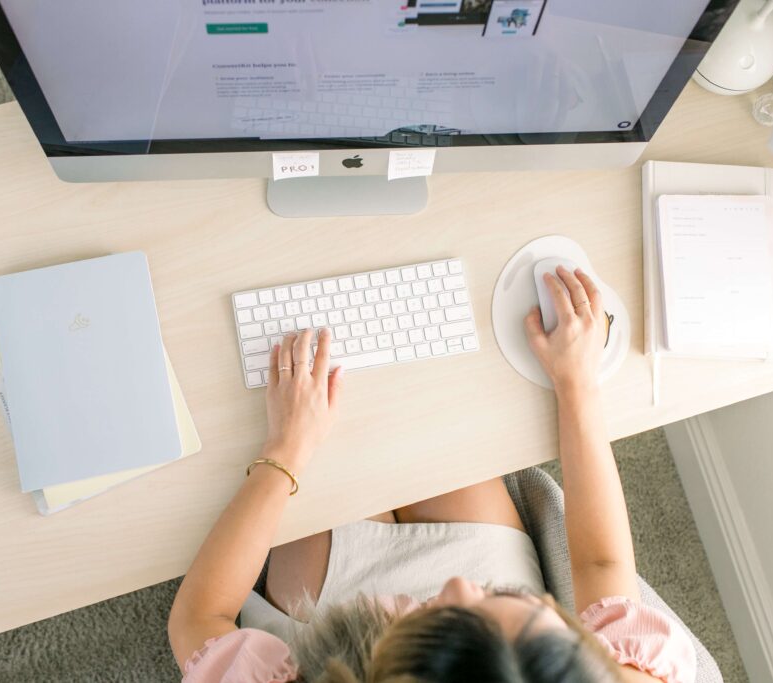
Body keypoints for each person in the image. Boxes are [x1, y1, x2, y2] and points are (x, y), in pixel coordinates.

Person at [168, 266, 696, 682]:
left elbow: (199, 618)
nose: (463, 585)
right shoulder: (618, 679)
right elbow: (602, 563)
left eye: (448, 616)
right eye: (516, 600)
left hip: (332, 614)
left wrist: (284, 449)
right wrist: (577, 383)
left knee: (333, 453)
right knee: (436, 422)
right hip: (475, 587)